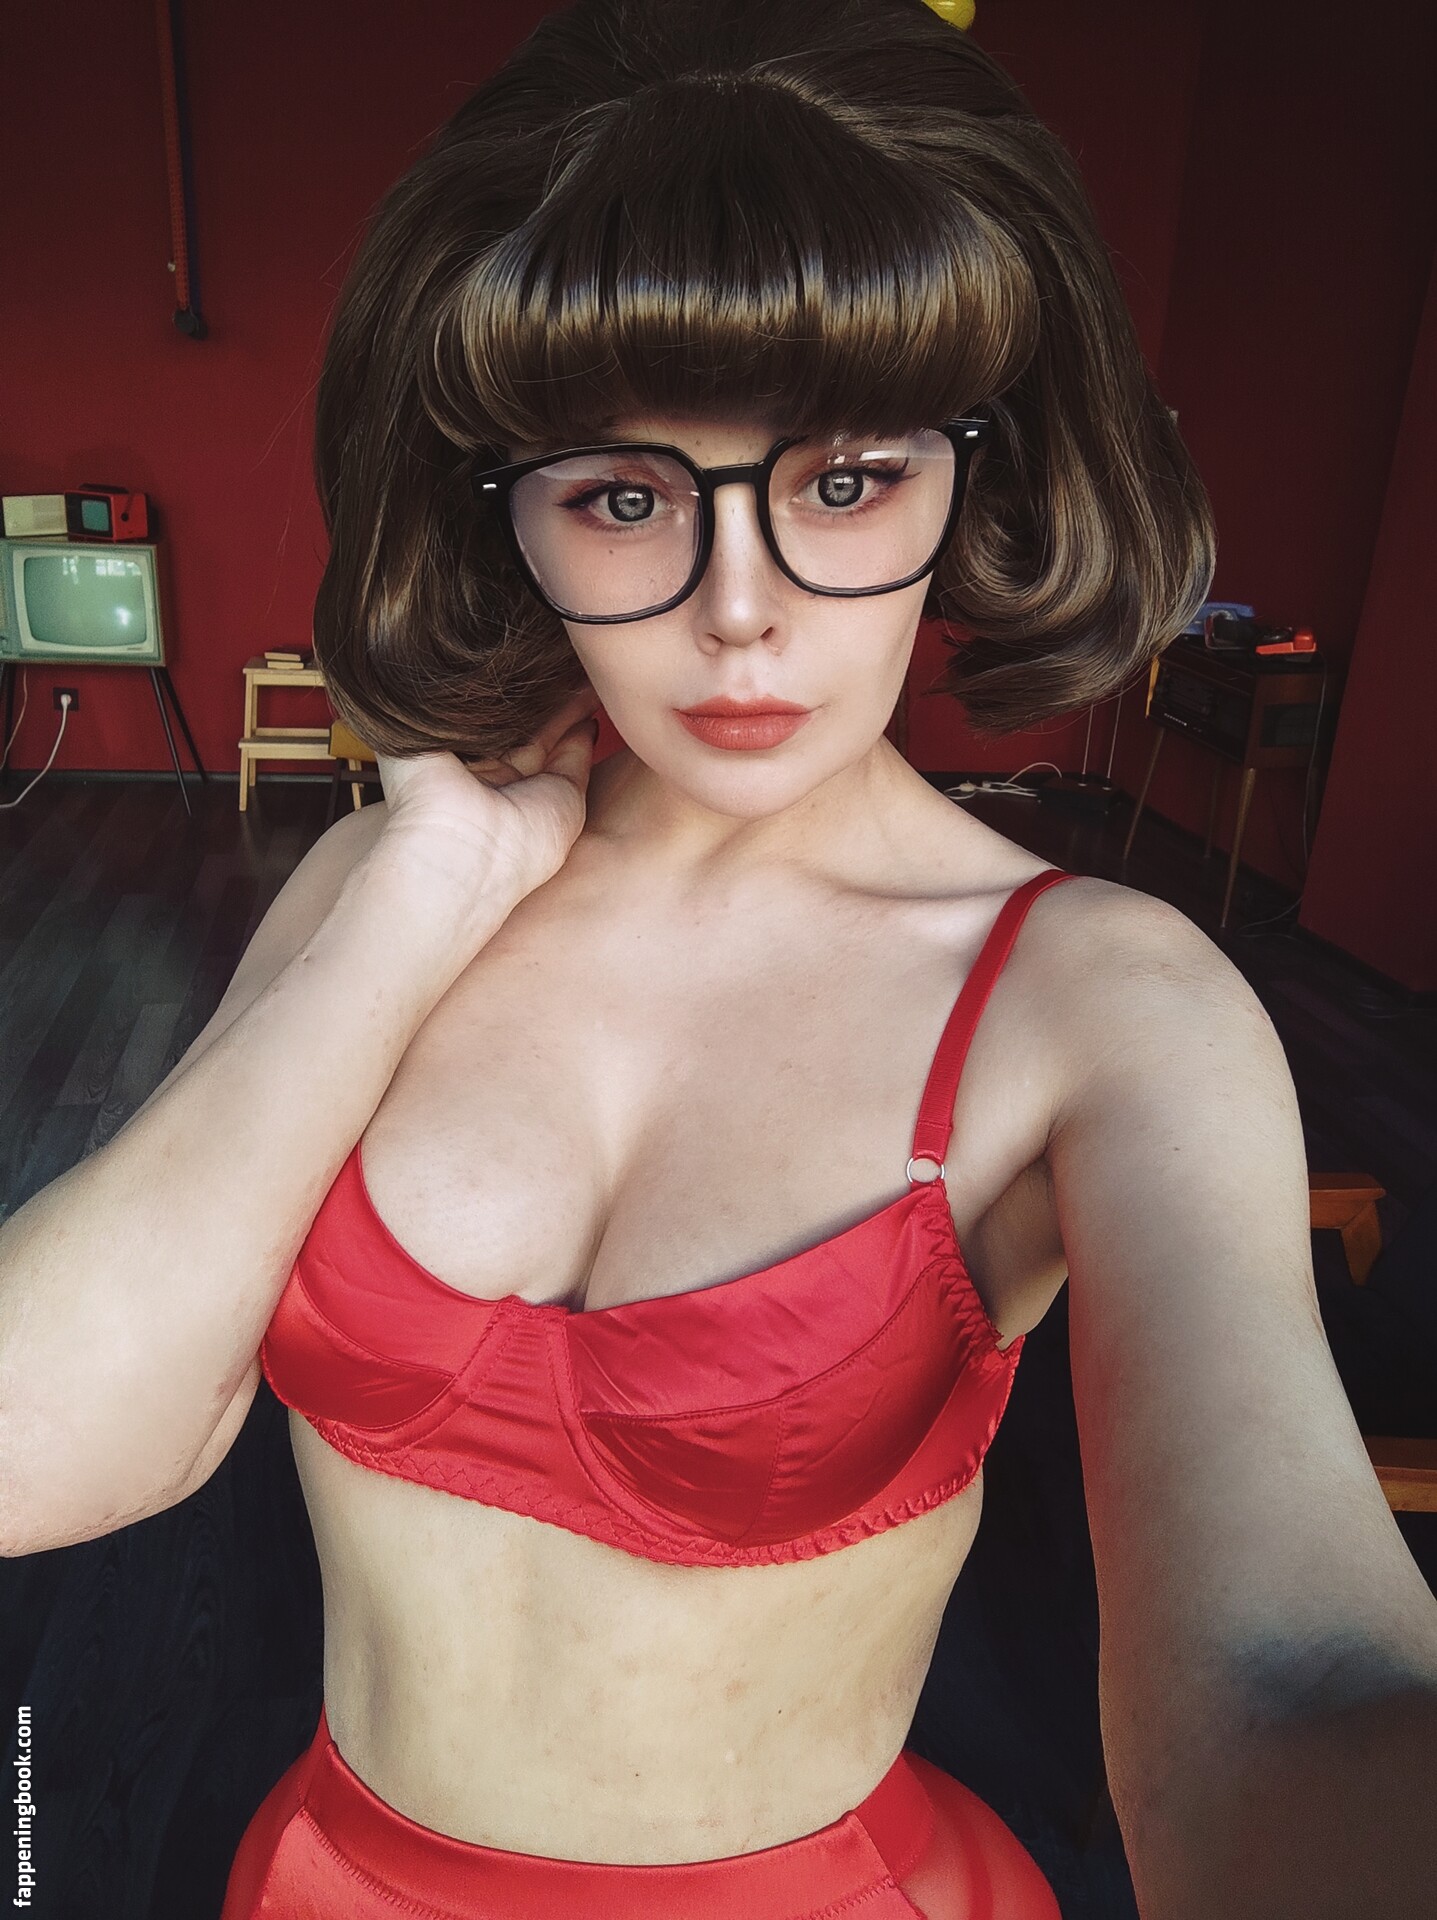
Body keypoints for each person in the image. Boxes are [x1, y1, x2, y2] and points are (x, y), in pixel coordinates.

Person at [3, 2, 1435, 1915]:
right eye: (623, 497)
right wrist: (422, 887)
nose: (739, 614)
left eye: (844, 481)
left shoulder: (1104, 1003)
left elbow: (1289, 1681)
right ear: (501, 515)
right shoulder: (385, 886)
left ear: (973, 475)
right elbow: (41, 1453)